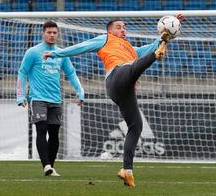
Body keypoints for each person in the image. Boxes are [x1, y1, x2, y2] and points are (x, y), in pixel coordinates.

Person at [43, 14, 184, 186]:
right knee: (131, 68)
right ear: (110, 30)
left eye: (124, 27)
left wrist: (166, 35)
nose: (123, 29)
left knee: (136, 125)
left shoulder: (131, 49)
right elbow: (81, 47)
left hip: (124, 90)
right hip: (116, 77)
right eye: (119, 27)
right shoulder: (105, 39)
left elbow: (153, 45)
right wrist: (57, 53)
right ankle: (155, 56)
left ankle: (127, 171)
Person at [16, 20, 84, 176]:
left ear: (57, 34)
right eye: (49, 32)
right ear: (43, 33)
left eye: (54, 33)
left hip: (55, 99)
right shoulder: (33, 52)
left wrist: (80, 91)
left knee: (54, 133)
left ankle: (50, 167)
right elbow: (22, 72)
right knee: (41, 129)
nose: (52, 35)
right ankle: (46, 165)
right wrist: (20, 95)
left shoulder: (61, 54)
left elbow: (71, 73)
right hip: (37, 98)